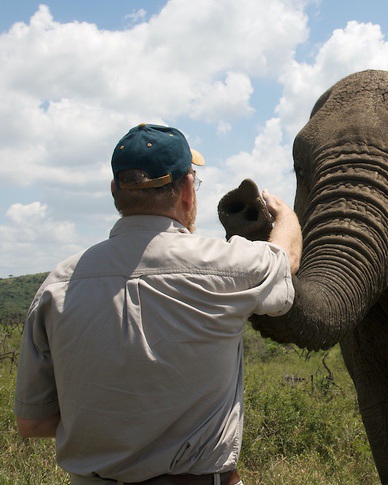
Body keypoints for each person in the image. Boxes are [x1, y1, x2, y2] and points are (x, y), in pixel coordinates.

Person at [14, 123, 302, 485]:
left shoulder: (56, 287)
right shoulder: (229, 267)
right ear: (185, 191)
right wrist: (285, 215)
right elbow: (285, 260)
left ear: (115, 191)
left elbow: (32, 422)